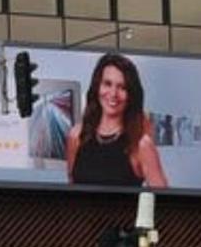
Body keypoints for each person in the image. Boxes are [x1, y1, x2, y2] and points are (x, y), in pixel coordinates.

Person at [66, 53, 167, 188]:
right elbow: (71, 190)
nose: (113, 94)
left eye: (122, 87)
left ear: (131, 94)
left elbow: (164, 201)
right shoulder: (76, 136)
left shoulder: (141, 144)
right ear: (98, 87)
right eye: (107, 84)